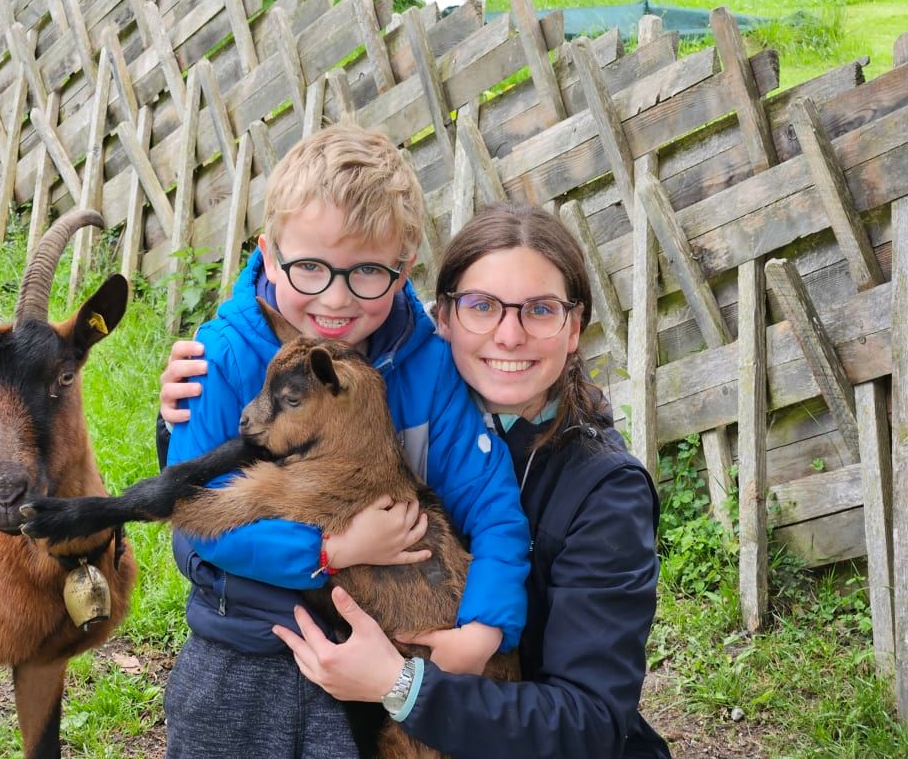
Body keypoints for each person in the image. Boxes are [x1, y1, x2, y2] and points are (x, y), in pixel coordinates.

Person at [159, 125, 531, 758]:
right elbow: (198, 521)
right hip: (246, 643)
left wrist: (486, 630)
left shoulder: (426, 366)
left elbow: (493, 506)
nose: (335, 299)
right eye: (309, 267)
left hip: (382, 652)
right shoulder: (219, 358)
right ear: (268, 255)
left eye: (367, 272)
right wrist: (329, 551)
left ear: (403, 270)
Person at [266, 202, 673, 758]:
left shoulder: (606, 492)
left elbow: (591, 722)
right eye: (482, 306)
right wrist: (180, 419)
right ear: (444, 318)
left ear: (574, 328)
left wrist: (402, 686)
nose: (509, 335)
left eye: (540, 310)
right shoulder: (397, 419)